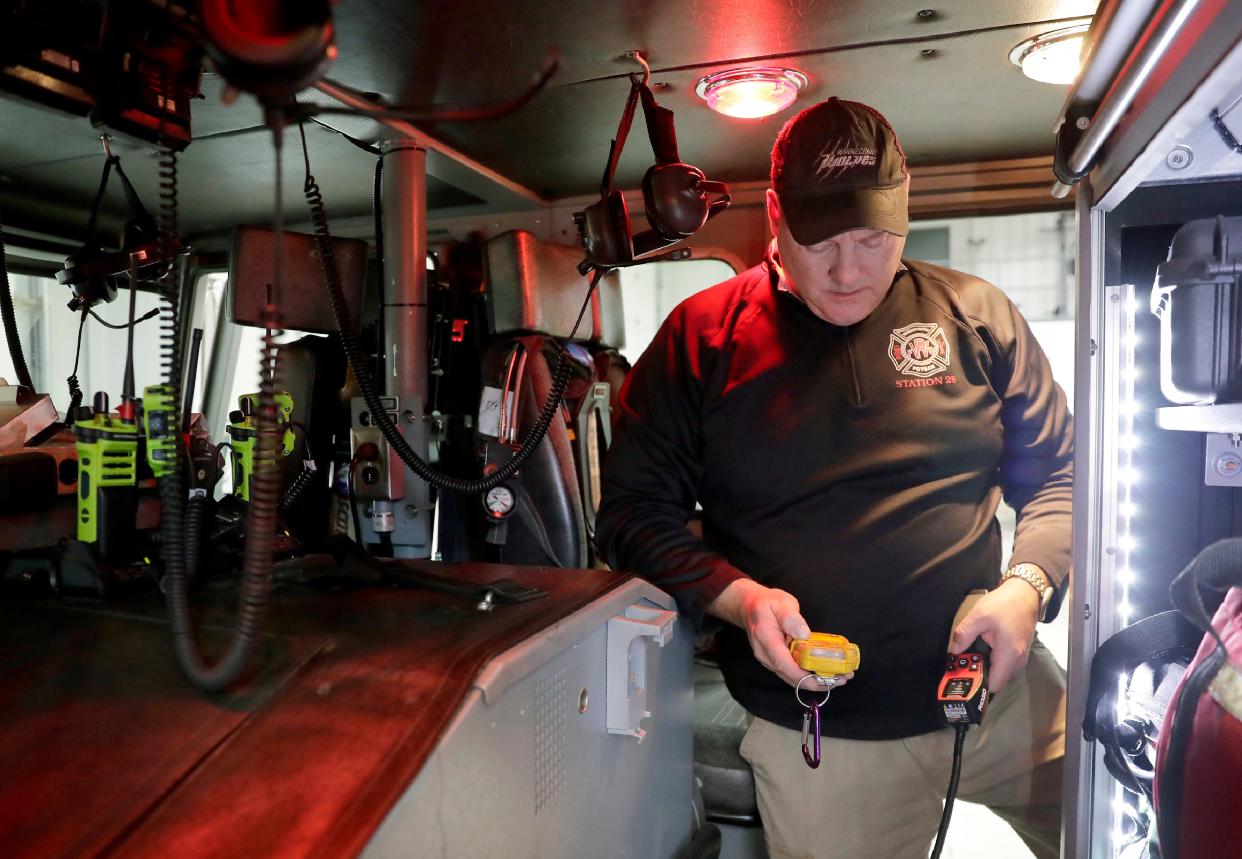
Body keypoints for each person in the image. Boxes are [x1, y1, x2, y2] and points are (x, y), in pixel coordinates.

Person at [595, 98, 1072, 859]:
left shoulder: (977, 316)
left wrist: (1028, 586)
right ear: (777, 216)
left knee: (1144, 813)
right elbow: (630, 514)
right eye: (820, 241)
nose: (849, 270)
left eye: (872, 238)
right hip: (821, 733)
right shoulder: (702, 339)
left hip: (1001, 692)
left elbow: (1059, 476)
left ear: (905, 211)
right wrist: (739, 599)